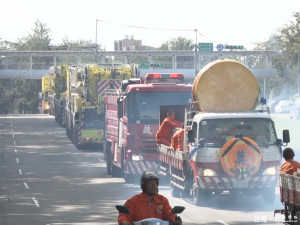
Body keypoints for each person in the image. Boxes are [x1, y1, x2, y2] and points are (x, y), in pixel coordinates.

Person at [118, 169, 182, 225]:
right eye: (150, 184)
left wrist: (175, 220)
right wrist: (124, 222)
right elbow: (124, 215)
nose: (154, 186)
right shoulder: (133, 201)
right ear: (143, 186)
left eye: (155, 183)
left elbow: (169, 213)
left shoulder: (162, 200)